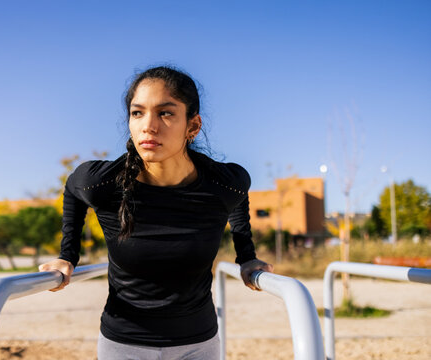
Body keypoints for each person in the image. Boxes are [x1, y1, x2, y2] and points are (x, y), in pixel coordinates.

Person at [39, 66, 273, 360]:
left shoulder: (221, 184)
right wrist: (67, 255)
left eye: (165, 113)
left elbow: (238, 199)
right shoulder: (104, 183)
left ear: (193, 126)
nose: (148, 126)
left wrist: (247, 257)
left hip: (199, 344)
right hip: (123, 345)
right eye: (138, 113)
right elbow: (73, 188)